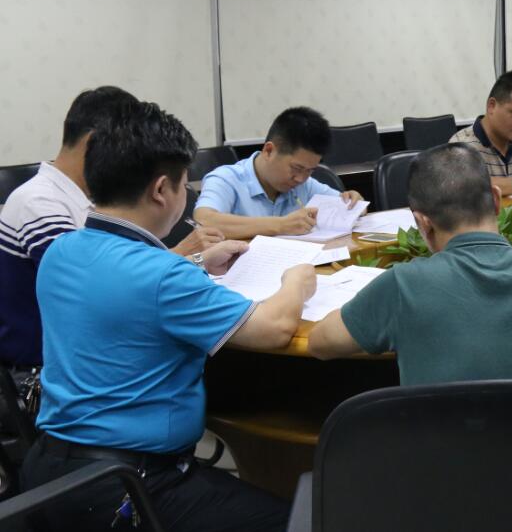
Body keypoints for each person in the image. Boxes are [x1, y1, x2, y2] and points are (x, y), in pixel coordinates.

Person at [23, 100, 315, 531]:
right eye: (184, 186)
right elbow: (274, 329)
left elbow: (124, 286)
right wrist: (296, 280)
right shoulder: (163, 276)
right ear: (162, 190)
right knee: (307, 519)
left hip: (48, 471)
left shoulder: (62, 251)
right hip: (130, 487)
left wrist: (197, 262)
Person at [308, 143, 512, 383]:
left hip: (441, 456)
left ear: (422, 222)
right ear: (496, 200)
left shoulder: (401, 286)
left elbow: (321, 343)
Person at [1, 87, 223, 374]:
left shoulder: (86, 197)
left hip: (89, 355)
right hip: (45, 373)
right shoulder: (40, 203)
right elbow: (100, 289)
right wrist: (186, 255)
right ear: (94, 143)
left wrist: (194, 260)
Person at [194, 106, 364, 239]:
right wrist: (281, 225)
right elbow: (204, 220)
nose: (301, 179)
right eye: (296, 168)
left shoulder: (305, 185)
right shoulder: (226, 179)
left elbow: (352, 207)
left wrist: (354, 202)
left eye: (310, 171)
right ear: (269, 151)